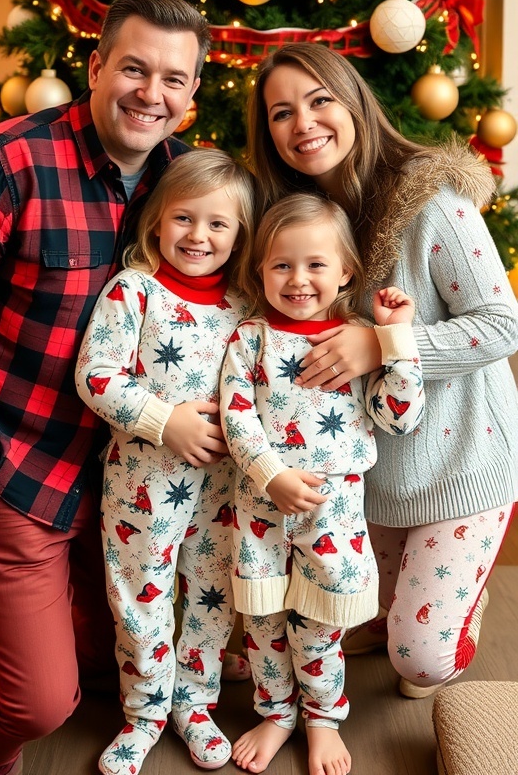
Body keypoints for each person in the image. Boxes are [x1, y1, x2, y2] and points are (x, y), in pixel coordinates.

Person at [0, 0, 212, 775]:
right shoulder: (1, 164)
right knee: (38, 701)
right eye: (133, 68)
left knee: (110, 654)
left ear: (192, 95)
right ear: (95, 68)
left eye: (172, 79)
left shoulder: (181, 184)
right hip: (19, 466)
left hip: (131, 471)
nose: (149, 94)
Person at [247, 42, 518, 704]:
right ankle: (406, 602)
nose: (302, 123)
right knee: (349, 614)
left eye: (319, 101)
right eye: (281, 113)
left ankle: (458, 615)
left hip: (463, 463)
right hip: (371, 479)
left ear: (355, 104)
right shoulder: (301, 227)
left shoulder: (434, 203)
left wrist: (383, 346)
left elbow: (504, 324)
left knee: (418, 661)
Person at [220, 193, 425, 775]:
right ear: (259, 270)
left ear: (346, 272)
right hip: (260, 501)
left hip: (334, 510)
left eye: (315, 264)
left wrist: (397, 340)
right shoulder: (251, 338)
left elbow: (399, 416)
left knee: (320, 621)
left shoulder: (360, 339)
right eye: (281, 264)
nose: (298, 279)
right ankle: (276, 711)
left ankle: (321, 718)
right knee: (261, 620)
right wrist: (271, 474)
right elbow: (236, 415)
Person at [75, 148, 255, 775]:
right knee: (138, 596)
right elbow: (96, 375)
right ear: (156, 221)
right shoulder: (134, 292)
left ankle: (195, 702)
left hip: (225, 489)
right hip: (142, 486)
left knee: (211, 594)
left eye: (217, 224)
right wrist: (163, 419)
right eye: (184, 219)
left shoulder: (245, 308)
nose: (198, 236)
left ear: (239, 235)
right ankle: (146, 711)